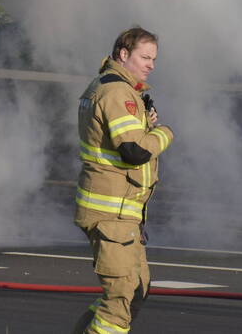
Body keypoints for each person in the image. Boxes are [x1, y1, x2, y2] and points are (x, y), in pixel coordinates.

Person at [72, 27, 175, 334]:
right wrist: (164, 133)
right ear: (123, 54)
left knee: (136, 290)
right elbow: (134, 151)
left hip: (123, 213)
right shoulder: (117, 92)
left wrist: (145, 123)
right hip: (111, 214)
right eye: (145, 57)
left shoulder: (113, 88)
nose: (151, 65)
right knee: (119, 304)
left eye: (154, 58)